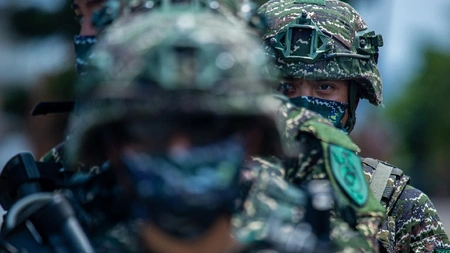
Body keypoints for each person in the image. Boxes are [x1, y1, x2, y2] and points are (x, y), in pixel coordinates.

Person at [257, 0, 450, 252]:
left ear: (354, 99)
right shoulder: (217, 196)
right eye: (285, 86)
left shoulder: (399, 208)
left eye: (325, 87)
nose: (303, 107)